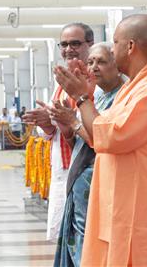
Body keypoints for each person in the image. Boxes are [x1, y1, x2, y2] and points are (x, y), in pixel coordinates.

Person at [54, 14, 147, 266]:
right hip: (121, 206)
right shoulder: (133, 89)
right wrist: (85, 98)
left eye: (115, 43)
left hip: (142, 212)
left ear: (131, 47)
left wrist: (82, 99)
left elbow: (109, 136)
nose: (113, 50)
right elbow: (99, 133)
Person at [50, 43, 123, 267]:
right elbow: (80, 139)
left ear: (117, 64)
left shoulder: (123, 97)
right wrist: (67, 125)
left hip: (102, 188)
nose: (94, 67)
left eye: (101, 61)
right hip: (80, 185)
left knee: (93, 252)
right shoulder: (98, 97)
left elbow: (102, 139)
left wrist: (74, 117)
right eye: (91, 62)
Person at [23, 22, 94, 241]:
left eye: (75, 43)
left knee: (85, 236)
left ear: (89, 44)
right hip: (63, 168)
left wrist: (66, 122)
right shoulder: (61, 81)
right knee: (66, 239)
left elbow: (96, 125)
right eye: (63, 44)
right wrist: (46, 123)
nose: (68, 49)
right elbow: (53, 131)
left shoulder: (95, 78)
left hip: (86, 168)